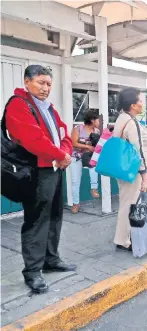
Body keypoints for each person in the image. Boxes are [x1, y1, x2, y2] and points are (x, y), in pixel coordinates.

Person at [4, 65, 75, 293]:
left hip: (54, 168)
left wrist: (65, 153)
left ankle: (51, 259)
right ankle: (33, 271)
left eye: (48, 84)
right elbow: (32, 139)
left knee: (55, 215)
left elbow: (64, 132)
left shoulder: (49, 108)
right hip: (37, 171)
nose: (45, 88)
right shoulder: (18, 104)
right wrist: (61, 154)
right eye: (41, 83)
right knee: (36, 221)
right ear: (27, 82)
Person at [112, 88, 147, 251]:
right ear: (133, 105)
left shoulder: (121, 118)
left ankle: (122, 237)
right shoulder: (131, 122)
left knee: (125, 202)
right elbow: (138, 149)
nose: (142, 103)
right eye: (140, 101)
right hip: (132, 169)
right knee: (129, 204)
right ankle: (123, 240)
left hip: (122, 167)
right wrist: (144, 174)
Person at [70, 110, 101, 214]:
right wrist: (88, 146)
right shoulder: (78, 129)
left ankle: (94, 188)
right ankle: (75, 203)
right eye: (97, 120)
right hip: (76, 157)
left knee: (93, 168)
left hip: (89, 156)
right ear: (92, 120)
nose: (99, 122)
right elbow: (73, 143)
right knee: (75, 181)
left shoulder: (96, 131)